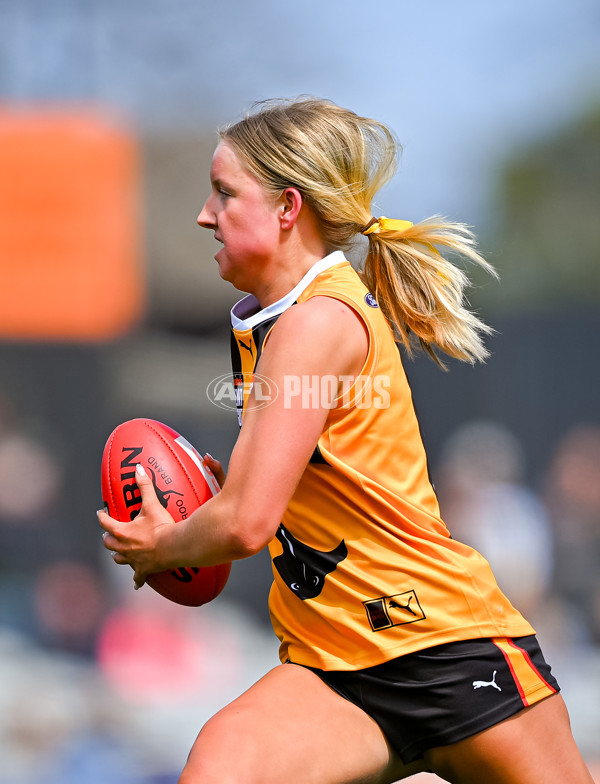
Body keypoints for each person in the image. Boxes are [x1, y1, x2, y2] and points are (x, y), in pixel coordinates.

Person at [98, 97, 593, 784]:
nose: (206, 215)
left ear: (287, 208)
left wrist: (163, 545)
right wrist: (228, 485)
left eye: (224, 193)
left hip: (441, 645)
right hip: (337, 665)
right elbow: (277, 496)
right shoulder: (274, 323)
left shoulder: (313, 324)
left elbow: (245, 525)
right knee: (224, 766)